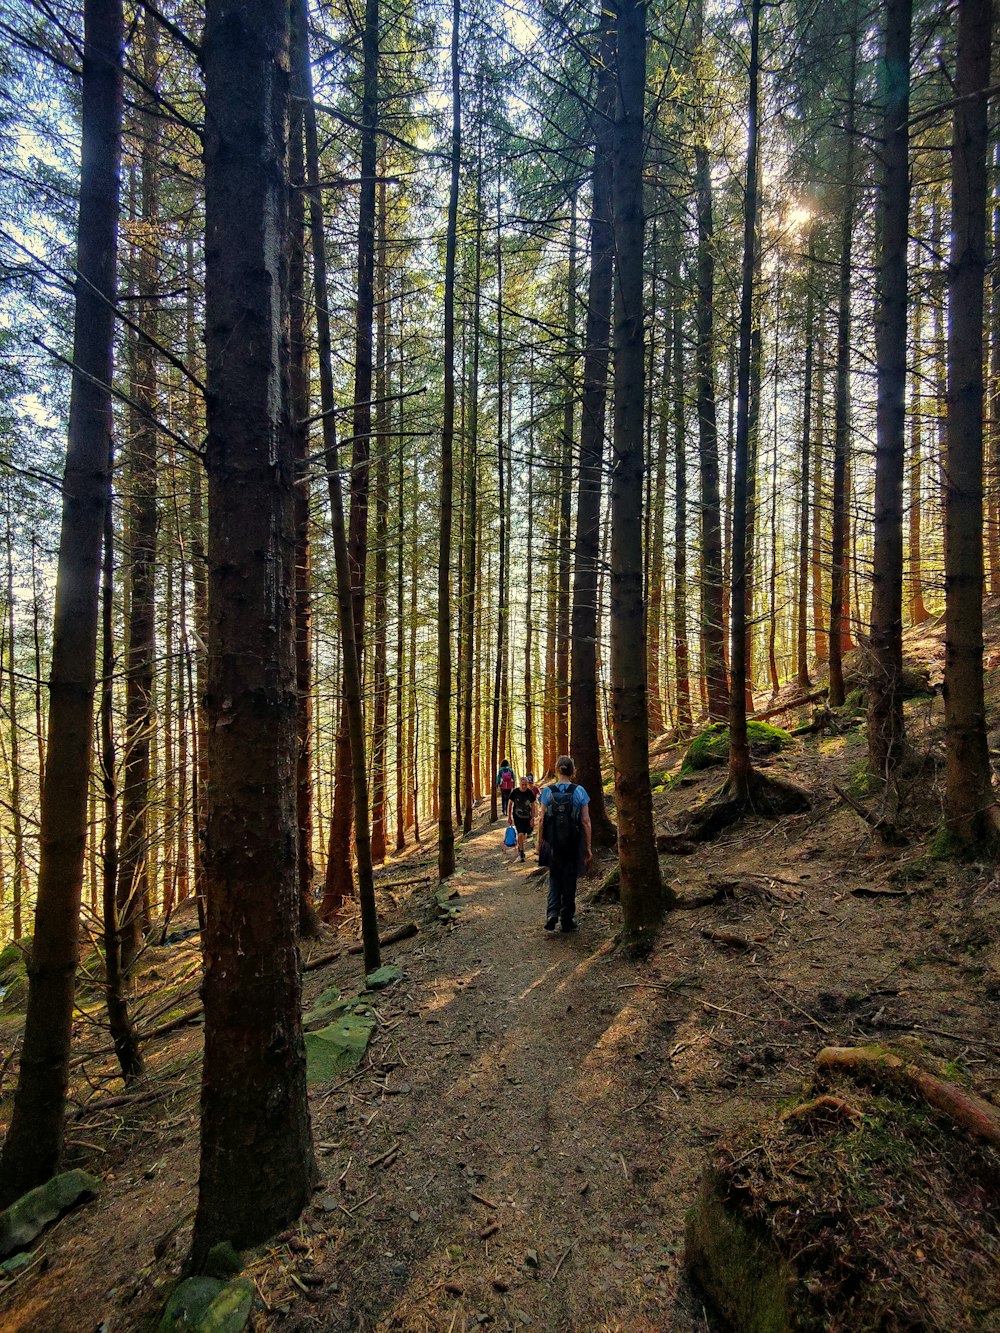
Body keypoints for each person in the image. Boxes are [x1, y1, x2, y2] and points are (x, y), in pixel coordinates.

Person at [537, 754, 592, 933]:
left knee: (554, 877)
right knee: (570, 879)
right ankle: (567, 919)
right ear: (573, 771)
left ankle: (552, 913)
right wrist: (588, 847)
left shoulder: (547, 792)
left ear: (556, 770)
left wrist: (539, 843)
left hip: (552, 843)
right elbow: (586, 821)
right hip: (573, 843)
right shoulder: (579, 791)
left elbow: (541, 820)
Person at [507, 775, 536, 863]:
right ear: (519, 784)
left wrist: (532, 818)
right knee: (520, 834)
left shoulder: (530, 793)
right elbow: (510, 804)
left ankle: (521, 846)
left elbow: (533, 806)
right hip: (517, 817)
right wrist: (509, 817)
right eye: (522, 784)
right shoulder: (515, 792)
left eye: (525, 785)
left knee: (524, 836)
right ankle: (522, 853)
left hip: (527, 817)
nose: (524, 786)